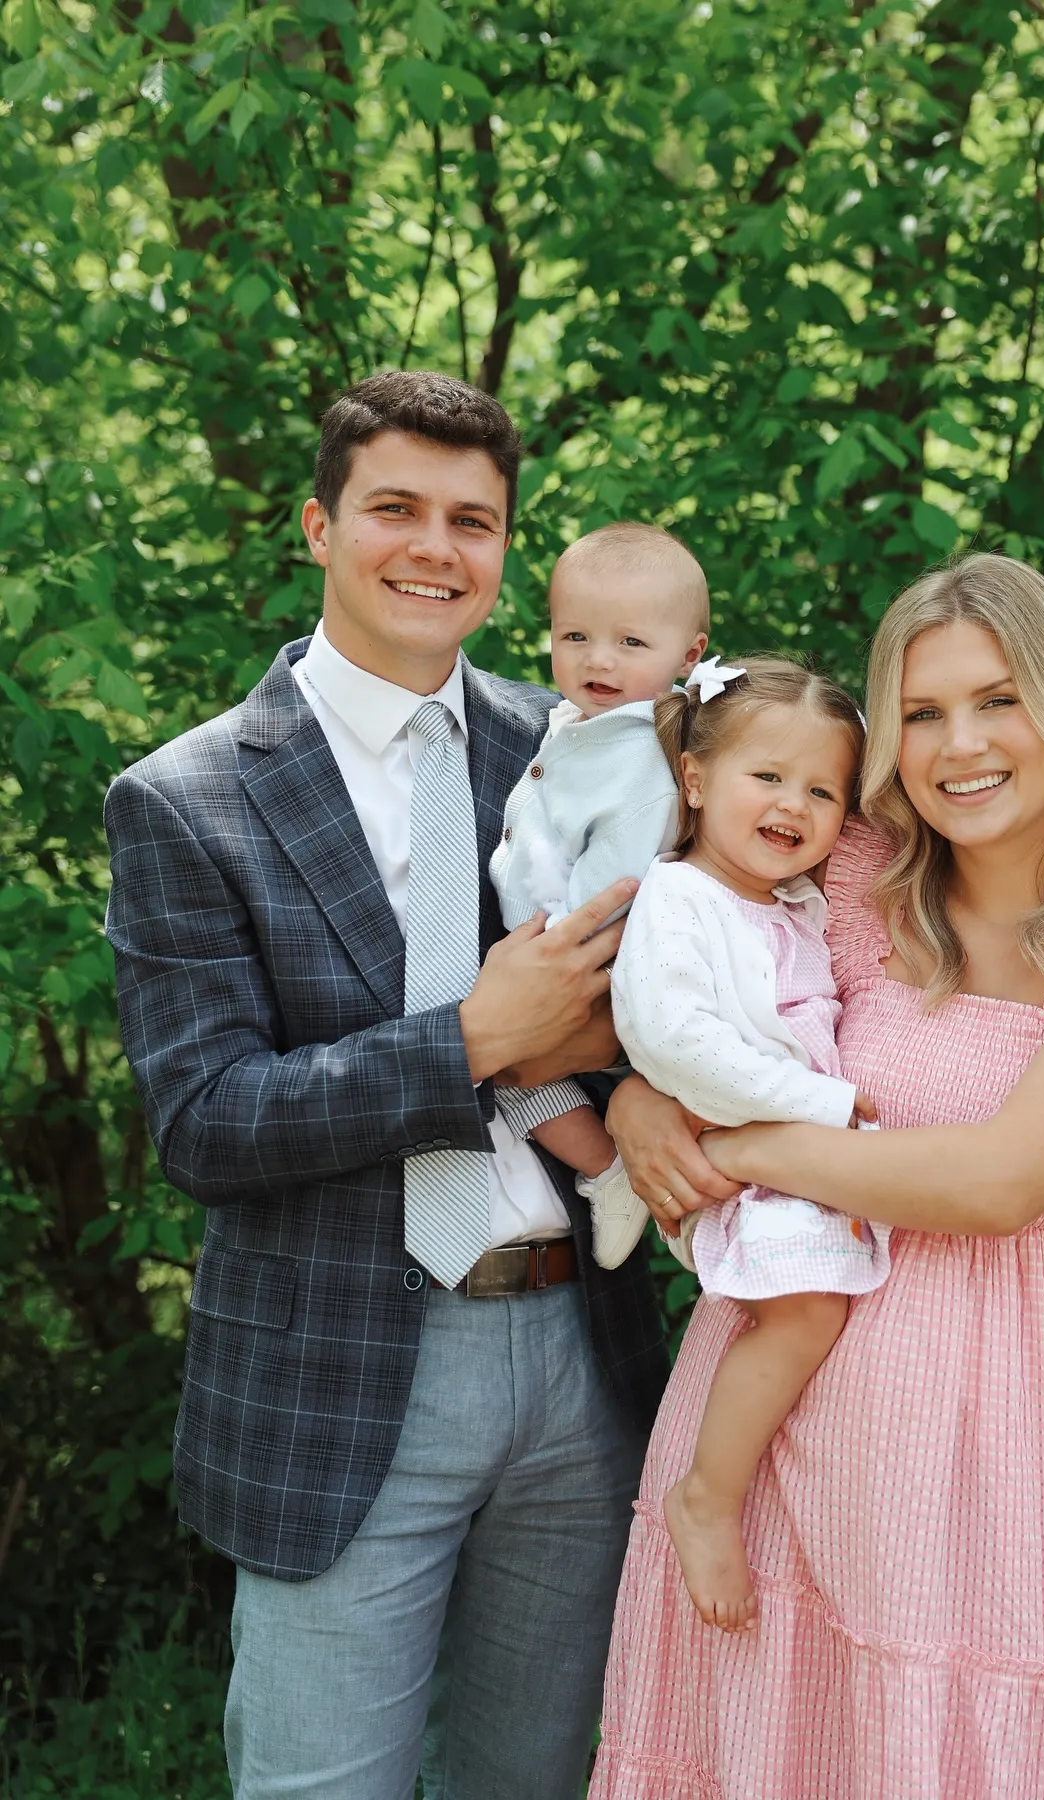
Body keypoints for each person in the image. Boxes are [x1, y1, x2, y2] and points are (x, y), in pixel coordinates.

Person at [593, 553, 1044, 1800]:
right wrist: (634, 1096)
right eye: (924, 712)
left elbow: (998, 1183)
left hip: (998, 1454)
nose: (963, 745)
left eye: (999, 700)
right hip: (764, 1424)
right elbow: (669, 963)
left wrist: (736, 1150)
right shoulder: (848, 882)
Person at [103, 369, 670, 1800]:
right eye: (395, 509)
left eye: (472, 521)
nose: (434, 547)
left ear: (505, 552)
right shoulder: (188, 798)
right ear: (319, 526)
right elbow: (206, 1122)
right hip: (344, 1374)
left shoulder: (581, 744)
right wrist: (469, 1041)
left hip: (581, 1355)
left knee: (534, 1781)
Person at [609, 658, 887, 1631]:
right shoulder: (679, 897)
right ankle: (707, 1496)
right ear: (695, 779)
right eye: (766, 777)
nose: (792, 805)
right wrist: (826, 1107)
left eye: (822, 791)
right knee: (804, 1315)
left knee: (826, 1320)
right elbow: (673, 1043)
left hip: (794, 1153)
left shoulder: (798, 905)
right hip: (745, 1150)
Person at [489, 521, 709, 1267]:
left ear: (690, 655)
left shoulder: (642, 758)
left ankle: (611, 1172)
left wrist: (554, 955)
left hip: (584, 961)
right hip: (550, 954)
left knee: (500, 1066)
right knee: (493, 1067)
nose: (599, 659)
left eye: (631, 642)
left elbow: (620, 877)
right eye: (575, 636)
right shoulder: (580, 725)